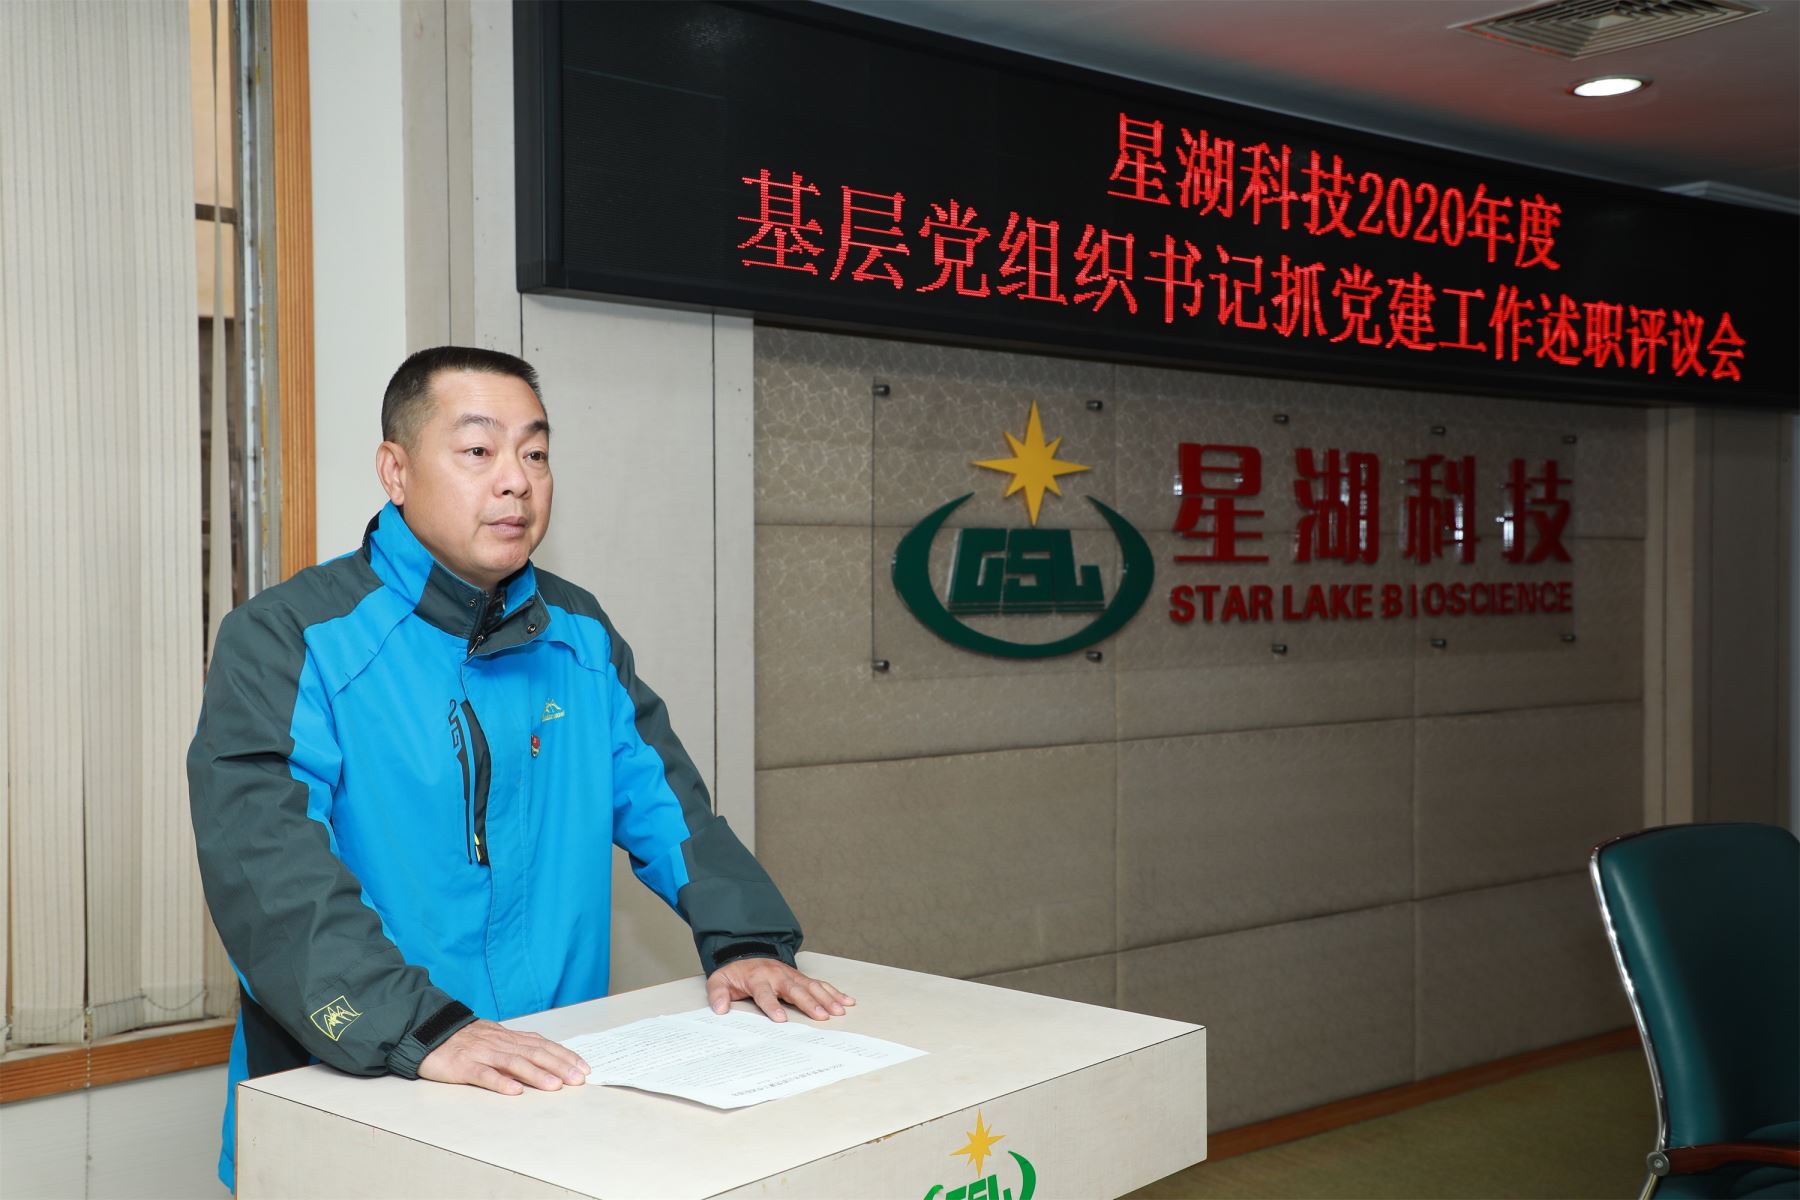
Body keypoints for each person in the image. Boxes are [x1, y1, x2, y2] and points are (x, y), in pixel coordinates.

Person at [188, 346, 850, 1191]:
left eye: (535, 453)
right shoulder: (291, 639)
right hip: (361, 1086)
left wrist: (745, 938)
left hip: (549, 1089)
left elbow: (666, 803)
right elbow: (266, 871)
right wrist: (418, 1028)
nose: (517, 481)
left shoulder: (578, 632)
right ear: (395, 470)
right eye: (478, 450)